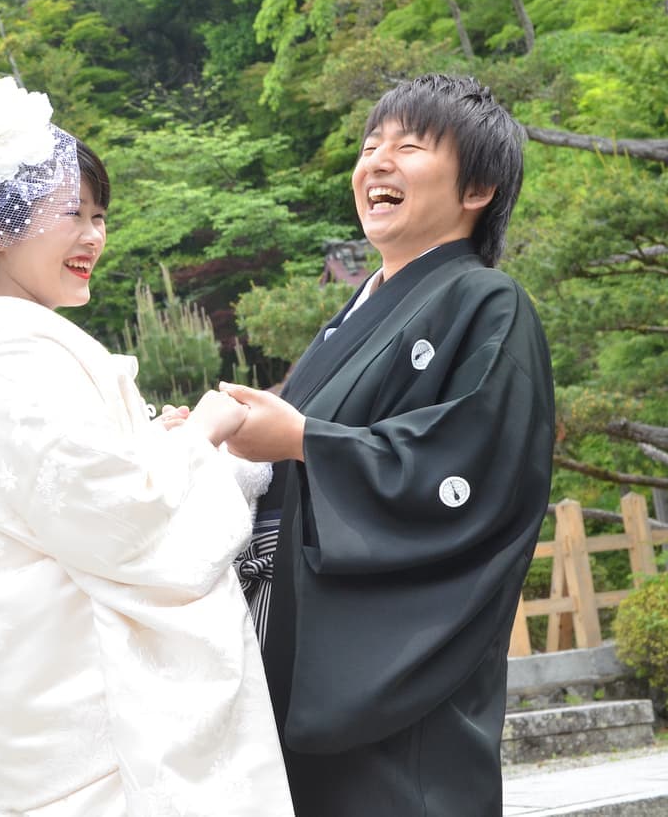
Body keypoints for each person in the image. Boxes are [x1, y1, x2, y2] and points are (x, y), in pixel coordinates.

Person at [0, 75, 293, 816]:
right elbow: (130, 527)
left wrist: (150, 445)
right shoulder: (22, 363)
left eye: (100, 217)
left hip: (47, 750)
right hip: (114, 752)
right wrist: (206, 431)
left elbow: (83, 501)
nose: (94, 236)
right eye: (74, 214)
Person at [221, 73, 555, 817]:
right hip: (299, 649)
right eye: (370, 145)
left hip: (394, 671)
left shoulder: (486, 302)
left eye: (408, 146)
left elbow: (470, 469)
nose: (376, 161)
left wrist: (302, 438)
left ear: (478, 189)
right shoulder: (353, 316)